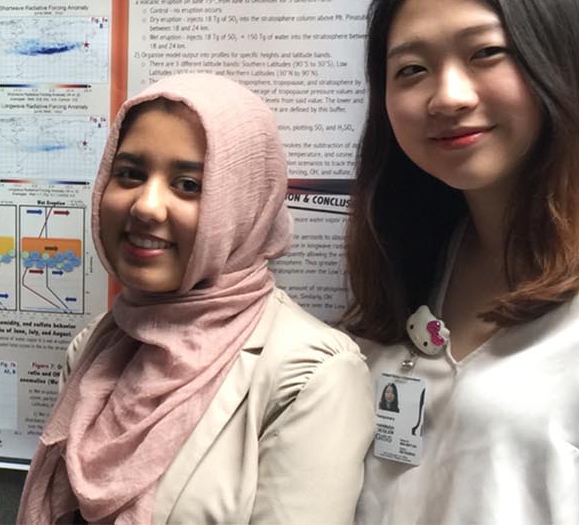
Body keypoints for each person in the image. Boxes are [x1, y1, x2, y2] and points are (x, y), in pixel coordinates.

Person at [343, 0, 579, 523]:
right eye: (412, 70)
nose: (446, 97)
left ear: (563, 61)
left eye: (485, 53)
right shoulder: (411, 258)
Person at [19, 73, 374, 524]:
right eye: (129, 174)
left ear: (245, 205)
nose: (146, 206)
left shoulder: (310, 376)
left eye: (188, 184)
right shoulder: (98, 347)